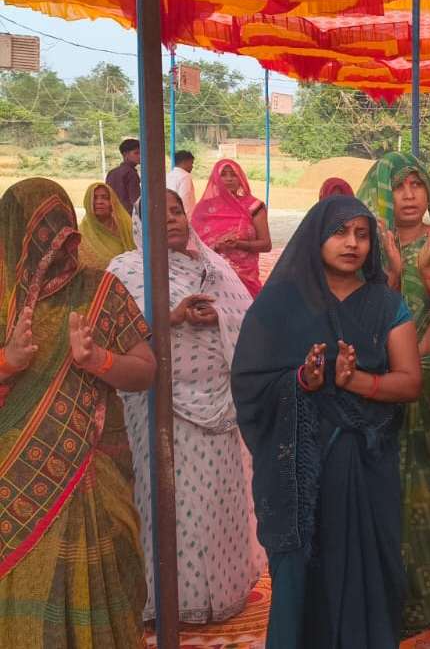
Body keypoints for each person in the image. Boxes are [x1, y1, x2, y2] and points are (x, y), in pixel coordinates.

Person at [232, 195, 423, 648]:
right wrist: (303, 380)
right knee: (305, 575)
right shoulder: (281, 304)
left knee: (368, 570)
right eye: (340, 232)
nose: (352, 243)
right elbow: (250, 380)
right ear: (316, 237)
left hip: (366, 463)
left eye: (362, 234)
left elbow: (410, 381)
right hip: (301, 469)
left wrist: (356, 381)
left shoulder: (386, 304)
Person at [0, 178, 157, 647]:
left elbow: (146, 370)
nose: (52, 244)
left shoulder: (101, 289)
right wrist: (9, 361)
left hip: (94, 468)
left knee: (106, 581)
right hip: (13, 481)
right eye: (39, 234)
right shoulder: (4, 298)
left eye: (60, 230)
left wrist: (98, 360)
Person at [109, 189, 261, 623]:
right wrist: (170, 317)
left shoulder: (213, 265)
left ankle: (219, 595)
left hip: (219, 405)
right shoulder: (125, 270)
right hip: (159, 406)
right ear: (141, 224)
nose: (172, 219)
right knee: (169, 504)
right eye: (160, 213)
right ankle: (169, 601)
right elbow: (113, 334)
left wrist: (219, 317)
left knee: (215, 500)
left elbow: (248, 317)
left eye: (177, 211)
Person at [355, 151, 430, 634]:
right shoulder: (362, 247)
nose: (410, 195)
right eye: (399, 186)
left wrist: (428, 272)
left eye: (418, 184)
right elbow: (357, 320)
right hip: (377, 390)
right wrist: (394, 276)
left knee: (429, 496)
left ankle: (426, 600)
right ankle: (381, 599)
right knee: (381, 494)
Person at [193, 158, 271, 296]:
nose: (229, 179)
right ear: (215, 179)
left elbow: (266, 245)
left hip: (245, 277)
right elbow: (193, 245)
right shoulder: (204, 209)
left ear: (240, 179)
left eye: (233, 174)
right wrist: (216, 246)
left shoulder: (254, 207)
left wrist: (239, 244)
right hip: (213, 274)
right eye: (223, 174)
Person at [78, 182, 136, 269]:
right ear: (87, 202)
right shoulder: (81, 234)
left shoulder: (124, 226)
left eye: (105, 198)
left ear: (112, 202)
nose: (99, 202)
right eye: (94, 198)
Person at [106, 137, 142, 212]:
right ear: (125, 155)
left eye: (141, 153)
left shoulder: (111, 172)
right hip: (128, 215)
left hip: (113, 213)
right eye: (136, 153)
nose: (140, 156)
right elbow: (136, 201)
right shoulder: (131, 173)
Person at [168, 149, 197, 214]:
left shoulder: (169, 175)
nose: (192, 166)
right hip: (183, 215)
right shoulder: (185, 177)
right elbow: (185, 201)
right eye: (191, 163)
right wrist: (185, 217)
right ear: (185, 162)